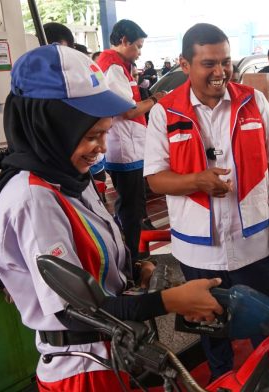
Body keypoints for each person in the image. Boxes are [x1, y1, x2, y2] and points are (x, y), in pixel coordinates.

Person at [0, 44, 223, 391]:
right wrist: (170, 301)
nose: (101, 146)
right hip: (83, 370)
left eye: (105, 133)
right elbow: (74, 311)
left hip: (112, 353)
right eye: (92, 136)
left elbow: (94, 264)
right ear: (51, 129)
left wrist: (136, 269)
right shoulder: (33, 197)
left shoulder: (69, 178)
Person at [143, 23, 269, 380]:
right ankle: (222, 379)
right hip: (198, 251)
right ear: (184, 64)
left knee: (266, 321)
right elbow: (155, 178)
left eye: (225, 62)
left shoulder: (253, 101)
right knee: (210, 326)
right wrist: (196, 181)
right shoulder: (165, 112)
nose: (220, 72)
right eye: (209, 63)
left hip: (255, 243)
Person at [95, 19, 165, 274]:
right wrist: (158, 99)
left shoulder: (119, 65)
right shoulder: (112, 66)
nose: (139, 52)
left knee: (135, 203)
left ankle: (137, 250)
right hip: (125, 149)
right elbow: (129, 110)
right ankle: (134, 261)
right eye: (137, 46)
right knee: (131, 207)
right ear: (124, 41)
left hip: (130, 145)